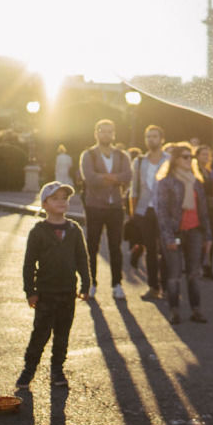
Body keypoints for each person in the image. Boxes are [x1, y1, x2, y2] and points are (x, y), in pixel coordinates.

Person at [16, 181, 90, 389]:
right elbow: (29, 264)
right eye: (55, 198)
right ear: (45, 204)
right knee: (40, 333)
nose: (61, 202)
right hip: (46, 292)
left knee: (62, 334)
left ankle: (57, 368)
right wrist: (30, 291)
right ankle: (28, 369)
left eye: (64, 198)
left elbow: (82, 259)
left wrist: (86, 285)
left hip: (68, 292)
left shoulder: (74, 230)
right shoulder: (38, 231)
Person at [155, 143, 210, 324]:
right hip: (175, 232)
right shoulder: (166, 182)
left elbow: (204, 211)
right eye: (185, 157)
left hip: (195, 232)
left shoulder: (196, 182)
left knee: (194, 273)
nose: (189, 160)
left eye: (191, 157)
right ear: (176, 160)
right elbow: (161, 211)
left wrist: (207, 236)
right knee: (174, 275)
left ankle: (196, 310)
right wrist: (168, 236)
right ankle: (174, 311)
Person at [79, 120, 133, 301]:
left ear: (114, 134)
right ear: (96, 133)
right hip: (95, 205)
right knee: (92, 245)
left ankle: (117, 284)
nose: (106, 135)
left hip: (116, 207)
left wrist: (108, 177)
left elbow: (128, 175)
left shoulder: (122, 155)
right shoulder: (88, 155)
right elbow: (90, 178)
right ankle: (91, 283)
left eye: (110, 131)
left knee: (115, 246)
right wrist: (114, 178)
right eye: (103, 131)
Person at [129, 125, 170, 299]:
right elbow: (134, 189)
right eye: (148, 136)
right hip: (145, 210)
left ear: (162, 139)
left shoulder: (169, 159)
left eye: (154, 136)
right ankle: (153, 287)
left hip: (165, 211)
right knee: (150, 250)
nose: (151, 139)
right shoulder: (139, 161)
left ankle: (167, 287)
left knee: (166, 250)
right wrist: (133, 213)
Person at [196, 144, 213, 280]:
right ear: (197, 156)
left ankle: (207, 266)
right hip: (199, 209)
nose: (206, 156)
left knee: (212, 237)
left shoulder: (210, 171)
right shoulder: (195, 171)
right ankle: (199, 265)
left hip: (211, 209)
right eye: (203, 154)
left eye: (208, 154)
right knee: (202, 238)